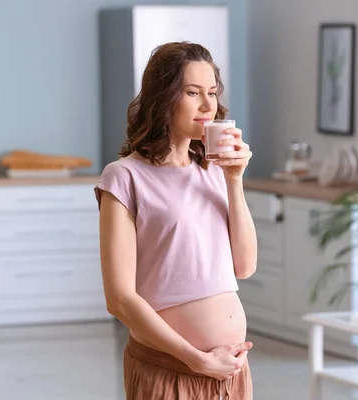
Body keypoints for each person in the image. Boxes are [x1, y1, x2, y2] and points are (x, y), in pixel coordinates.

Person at [94, 41, 257, 399]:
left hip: (230, 373)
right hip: (171, 368)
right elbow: (119, 298)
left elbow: (244, 266)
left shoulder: (216, 172)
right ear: (164, 98)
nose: (207, 105)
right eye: (192, 92)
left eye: (212, 93)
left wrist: (235, 179)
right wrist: (196, 359)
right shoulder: (124, 177)